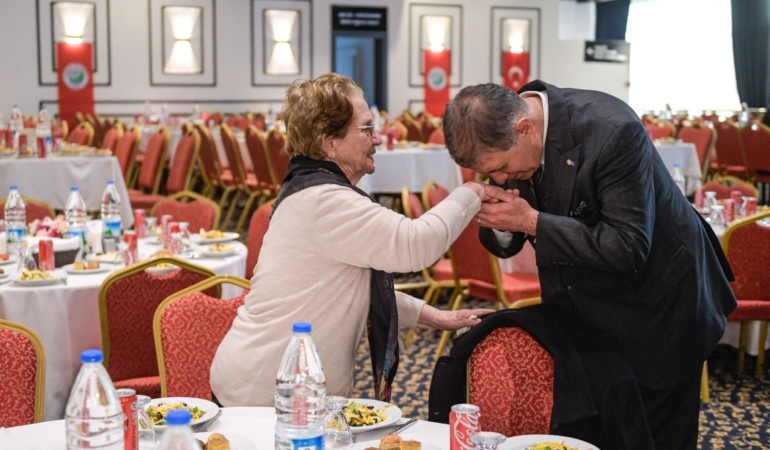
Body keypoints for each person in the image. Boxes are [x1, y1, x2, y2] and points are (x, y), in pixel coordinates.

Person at [442, 81, 737, 450]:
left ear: (525, 129)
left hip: (661, 306)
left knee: (659, 436)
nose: (501, 180)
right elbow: (510, 233)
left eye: (502, 168)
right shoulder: (501, 130)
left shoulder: (612, 130)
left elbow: (628, 246)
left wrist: (530, 221)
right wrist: (504, 223)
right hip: (585, 313)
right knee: (598, 434)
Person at [211, 74, 493, 406]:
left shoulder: (311, 189)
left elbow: (347, 290)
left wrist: (436, 316)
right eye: (367, 129)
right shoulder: (326, 201)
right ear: (328, 142)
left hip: (280, 386)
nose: (378, 139)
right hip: (265, 395)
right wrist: (474, 189)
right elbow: (416, 245)